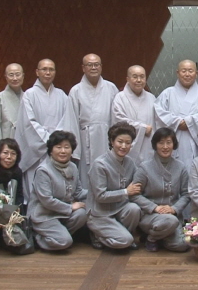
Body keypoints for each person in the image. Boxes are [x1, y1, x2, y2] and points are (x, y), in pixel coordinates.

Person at [16, 59, 75, 205]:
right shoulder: (29, 95)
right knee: (35, 187)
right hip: (36, 152)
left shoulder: (62, 95)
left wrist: (56, 144)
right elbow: (29, 123)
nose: (48, 73)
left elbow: (66, 120)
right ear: (37, 72)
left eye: (51, 69)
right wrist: (50, 142)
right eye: (44, 69)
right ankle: (34, 215)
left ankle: (58, 211)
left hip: (57, 149)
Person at [132, 128, 191, 252]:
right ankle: (152, 237)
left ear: (174, 144)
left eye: (169, 142)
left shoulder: (181, 167)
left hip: (172, 214)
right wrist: (155, 208)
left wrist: (174, 209)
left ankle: (157, 236)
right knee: (171, 221)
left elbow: (186, 194)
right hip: (150, 215)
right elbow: (134, 195)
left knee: (183, 245)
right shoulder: (144, 167)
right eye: (161, 143)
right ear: (155, 145)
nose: (165, 147)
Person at [87, 122, 143, 250]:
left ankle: (122, 235)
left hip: (119, 208)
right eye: (120, 142)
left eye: (128, 143)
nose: (124, 146)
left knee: (134, 209)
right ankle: (97, 235)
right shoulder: (100, 164)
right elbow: (100, 196)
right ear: (112, 141)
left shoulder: (130, 162)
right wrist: (126, 192)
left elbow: (138, 183)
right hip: (100, 213)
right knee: (125, 241)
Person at [29, 131, 88, 251]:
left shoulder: (73, 167)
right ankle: (37, 238)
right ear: (51, 150)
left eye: (67, 147)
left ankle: (59, 235)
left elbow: (78, 192)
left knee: (82, 213)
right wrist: (70, 207)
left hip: (62, 214)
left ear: (72, 150)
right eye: (58, 147)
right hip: (45, 214)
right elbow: (47, 200)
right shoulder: (43, 170)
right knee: (65, 242)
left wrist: (95, 192)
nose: (63, 151)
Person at [67, 53, 119, 191]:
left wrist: (116, 141)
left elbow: (116, 117)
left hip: (106, 137)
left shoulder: (111, 88)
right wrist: (75, 148)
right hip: (85, 140)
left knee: (108, 171)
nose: (93, 67)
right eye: (90, 65)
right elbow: (71, 121)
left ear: (101, 67)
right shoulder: (75, 90)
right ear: (83, 68)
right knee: (87, 175)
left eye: (96, 64)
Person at [155, 59, 198, 166]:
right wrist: (177, 122)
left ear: (196, 73)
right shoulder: (167, 93)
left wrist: (188, 122)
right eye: (184, 71)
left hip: (196, 142)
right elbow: (159, 114)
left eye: (190, 71)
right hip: (173, 141)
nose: (187, 74)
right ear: (177, 73)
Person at [112, 65, 156, 164]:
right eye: (135, 77)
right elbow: (119, 122)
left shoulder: (152, 98)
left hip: (148, 145)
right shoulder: (120, 98)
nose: (139, 80)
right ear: (128, 79)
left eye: (142, 77)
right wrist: (142, 128)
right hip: (127, 146)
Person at [0, 63, 25, 145]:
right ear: (6, 77)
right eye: (11, 75)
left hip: (25, 143)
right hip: (6, 145)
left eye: (17, 74)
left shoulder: (28, 97)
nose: (15, 78)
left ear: (23, 76)